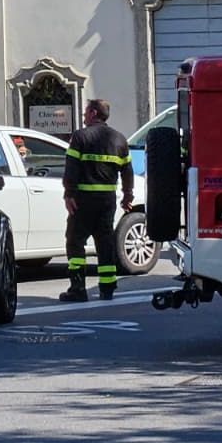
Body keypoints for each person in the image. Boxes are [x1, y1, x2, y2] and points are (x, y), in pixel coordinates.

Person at [60, 98, 134, 302]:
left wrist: (68, 194)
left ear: (93, 113)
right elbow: (127, 171)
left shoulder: (80, 137)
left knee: (75, 242)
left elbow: (71, 168)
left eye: (86, 112)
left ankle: (77, 289)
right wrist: (127, 196)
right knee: (105, 243)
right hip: (107, 202)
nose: (84, 116)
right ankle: (107, 288)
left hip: (83, 201)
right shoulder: (119, 139)